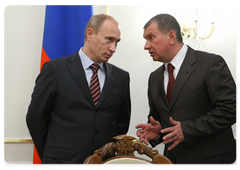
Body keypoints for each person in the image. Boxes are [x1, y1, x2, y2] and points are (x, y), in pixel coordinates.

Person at [26, 14, 131, 164]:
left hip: (105, 163)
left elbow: (121, 125)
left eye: (117, 42)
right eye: (109, 39)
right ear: (90, 34)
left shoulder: (121, 77)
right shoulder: (55, 70)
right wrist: (51, 155)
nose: (113, 48)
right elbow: (35, 119)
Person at [135, 14, 237, 164]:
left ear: (171, 36)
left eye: (151, 37)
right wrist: (158, 131)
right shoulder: (154, 78)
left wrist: (188, 130)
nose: (146, 46)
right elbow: (159, 118)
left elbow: (231, 109)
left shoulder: (210, 63)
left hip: (213, 161)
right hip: (172, 161)